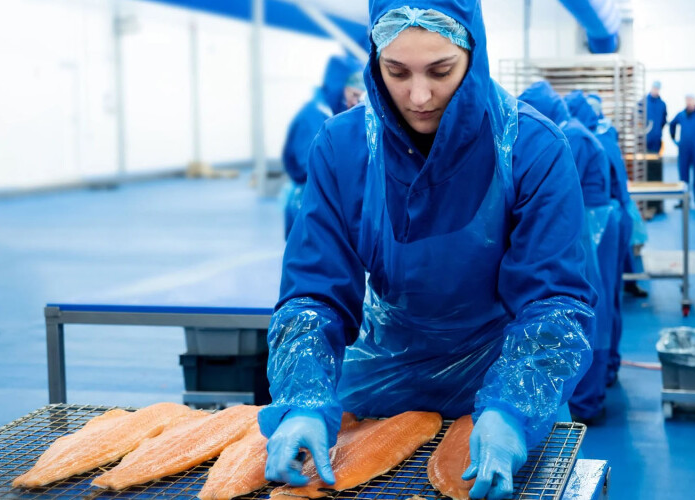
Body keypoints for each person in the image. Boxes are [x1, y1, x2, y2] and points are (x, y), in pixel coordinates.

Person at [259, 3, 596, 499]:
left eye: (441, 71)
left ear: (473, 56)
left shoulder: (532, 148)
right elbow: (314, 292)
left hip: (506, 380)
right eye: (396, 72)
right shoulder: (342, 147)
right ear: (375, 62)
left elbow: (555, 301)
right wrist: (304, 398)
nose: (419, 96)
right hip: (380, 385)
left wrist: (512, 409)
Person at [520, 82, 614, 422]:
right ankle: (598, 386)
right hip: (596, 215)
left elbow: (552, 185)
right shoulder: (573, 129)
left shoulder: (565, 137)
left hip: (588, 219)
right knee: (600, 299)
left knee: (584, 304)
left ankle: (586, 401)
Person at [567, 90, 643, 387]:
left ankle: (593, 388)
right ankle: (609, 367)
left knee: (597, 299)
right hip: (612, 215)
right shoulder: (600, 132)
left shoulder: (577, 137)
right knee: (609, 297)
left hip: (598, 221)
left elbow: (562, 183)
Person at [282, 54, 364, 239]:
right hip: (309, 201)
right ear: (338, 89)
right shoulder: (313, 118)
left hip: (325, 199)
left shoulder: (334, 116)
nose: (355, 102)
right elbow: (312, 167)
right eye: (354, 95)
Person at [645, 81, 668, 154]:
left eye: (657, 89)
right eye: (654, 88)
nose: (655, 90)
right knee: (644, 162)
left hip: (656, 139)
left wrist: (658, 131)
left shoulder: (662, 104)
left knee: (655, 161)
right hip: (644, 139)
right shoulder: (643, 102)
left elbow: (664, 121)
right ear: (651, 88)